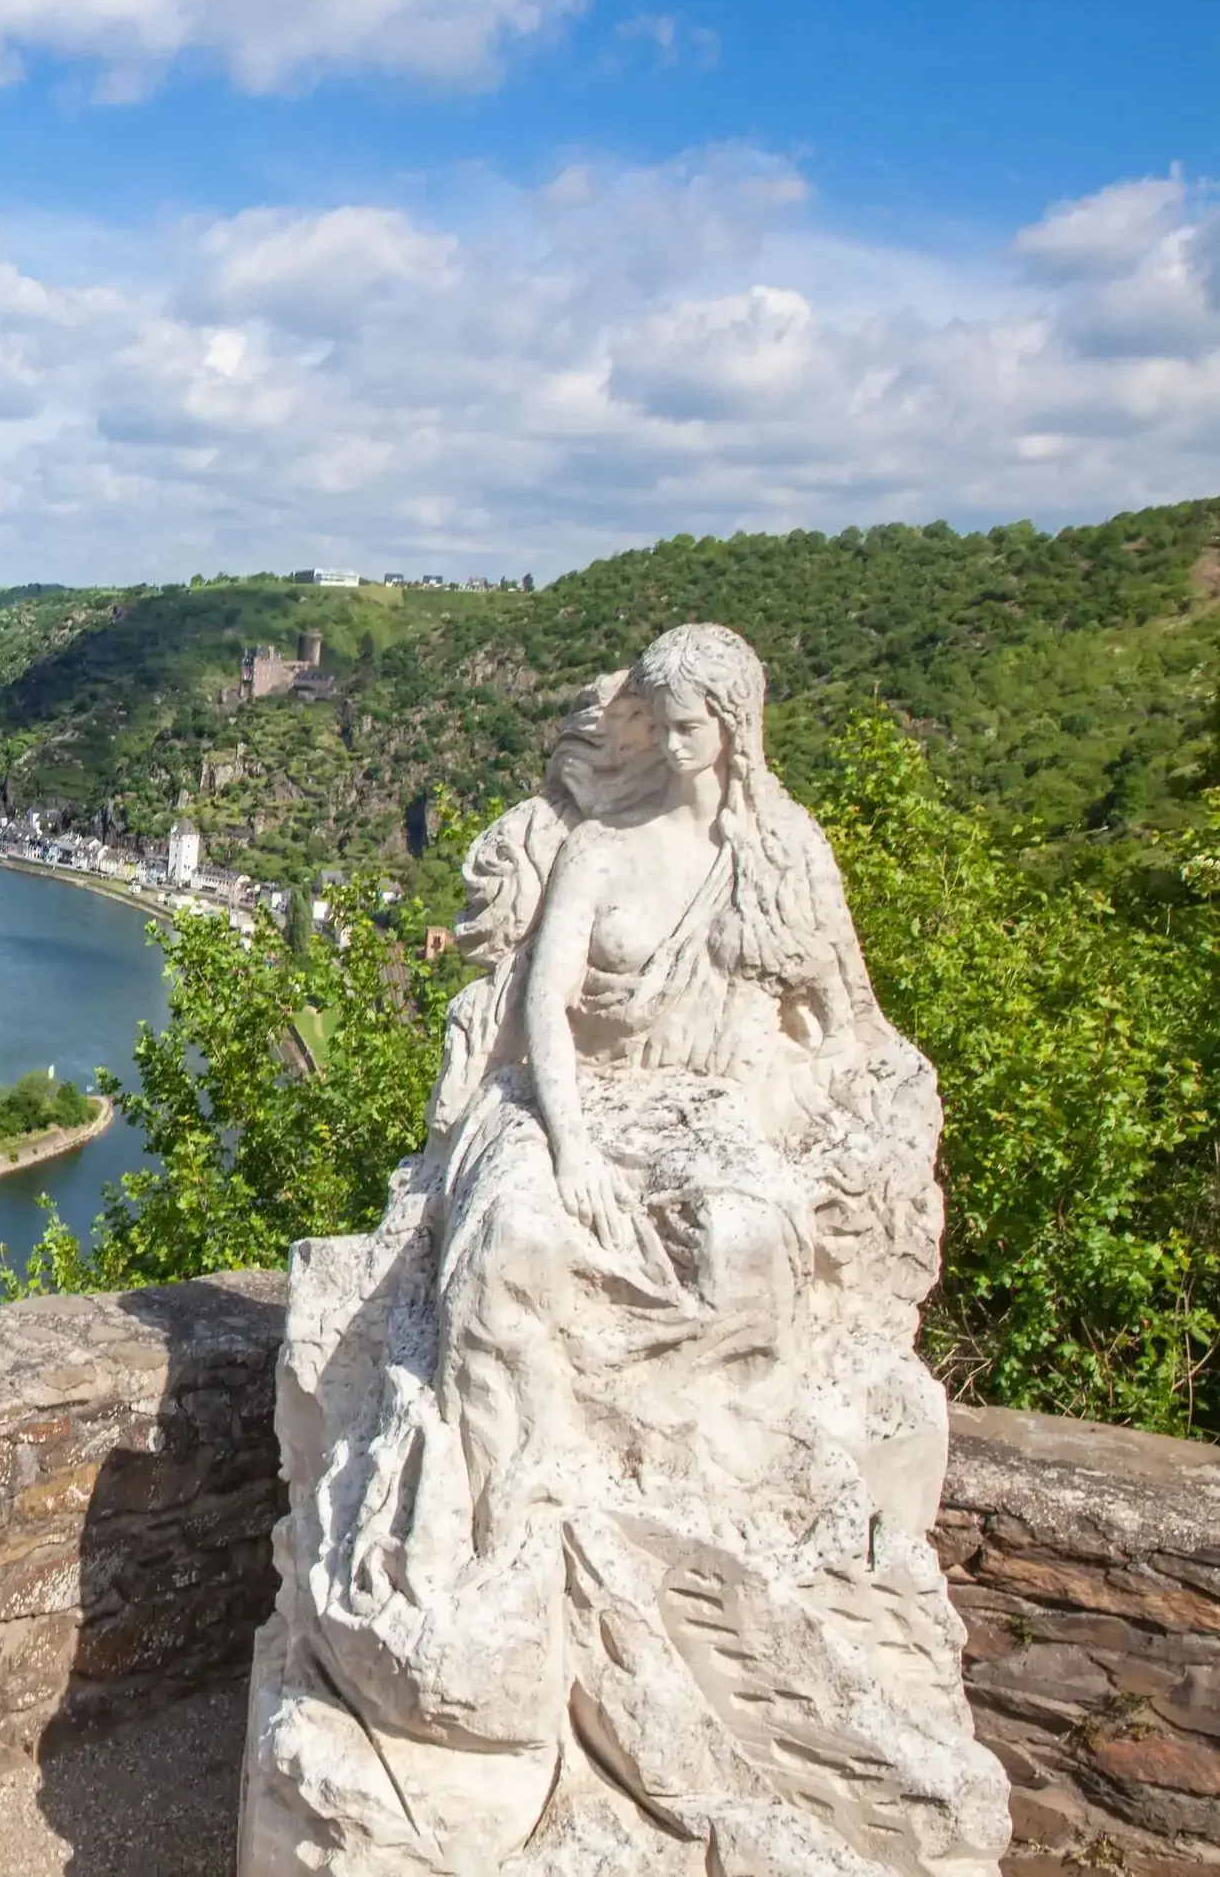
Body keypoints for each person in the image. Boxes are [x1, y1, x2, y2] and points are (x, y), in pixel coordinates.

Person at [242, 623, 1005, 1876]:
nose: (661, 741)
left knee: (751, 1247)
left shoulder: (781, 857)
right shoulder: (599, 846)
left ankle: (728, 1484)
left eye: (685, 723)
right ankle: (500, 1517)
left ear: (733, 729)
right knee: (508, 1250)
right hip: (562, 1101)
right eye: (648, 721)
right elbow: (542, 1005)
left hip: (703, 1115)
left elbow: (845, 1023)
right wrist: (576, 1142)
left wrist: (830, 1123)